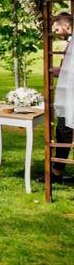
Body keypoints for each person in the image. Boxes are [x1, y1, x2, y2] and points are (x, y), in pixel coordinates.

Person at [45, 12, 74, 184]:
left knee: (63, 129)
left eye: (56, 28)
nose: (55, 31)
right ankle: (57, 171)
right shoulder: (70, 42)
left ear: (66, 25)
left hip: (70, 97)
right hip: (67, 94)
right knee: (62, 129)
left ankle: (56, 173)